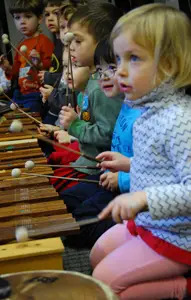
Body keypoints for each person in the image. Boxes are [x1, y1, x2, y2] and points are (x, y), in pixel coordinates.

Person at [90, 4, 191, 299]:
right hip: (150, 223)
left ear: (169, 65)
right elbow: (166, 167)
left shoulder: (179, 120)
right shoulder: (150, 109)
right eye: (119, 58)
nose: (119, 70)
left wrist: (143, 197)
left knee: (103, 284)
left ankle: (181, 288)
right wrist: (130, 163)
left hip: (177, 236)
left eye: (133, 58)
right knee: (98, 255)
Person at [60, 39, 141, 248]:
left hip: (131, 189)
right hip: (113, 178)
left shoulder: (144, 117)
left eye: (111, 68)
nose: (103, 76)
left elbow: (157, 170)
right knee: (64, 201)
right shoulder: (127, 104)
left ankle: (134, 235)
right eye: (99, 69)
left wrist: (121, 178)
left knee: (79, 225)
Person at [50, 2, 123, 193]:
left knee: (63, 195)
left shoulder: (102, 86)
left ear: (102, 43)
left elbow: (107, 134)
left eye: (78, 41)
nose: (71, 47)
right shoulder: (93, 80)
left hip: (97, 169)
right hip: (88, 163)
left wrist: (75, 125)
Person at [0, 0, 54, 112]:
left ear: (39, 19)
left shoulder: (44, 41)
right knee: (7, 109)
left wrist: (39, 64)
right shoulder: (19, 45)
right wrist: (7, 67)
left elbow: (52, 67)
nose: (22, 22)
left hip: (38, 93)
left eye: (27, 17)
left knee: (33, 109)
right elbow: (16, 72)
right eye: (17, 18)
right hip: (21, 93)